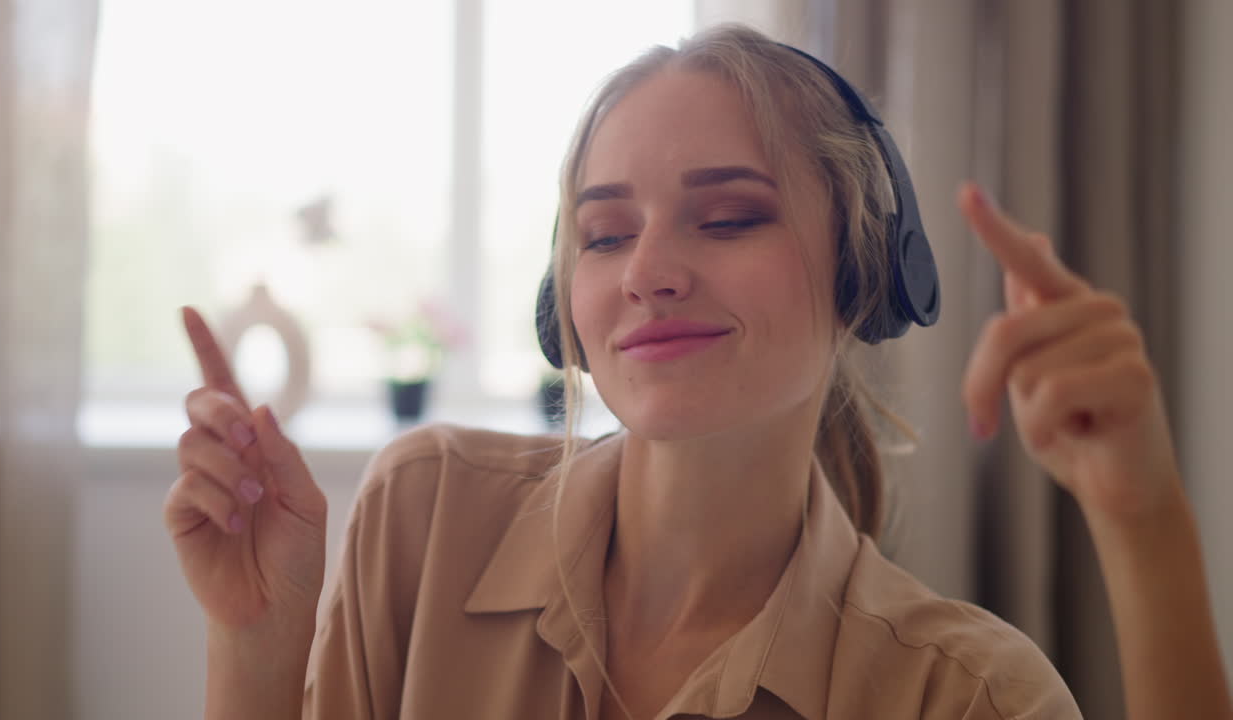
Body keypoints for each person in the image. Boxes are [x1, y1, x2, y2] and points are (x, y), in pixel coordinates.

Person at [165, 24, 1232, 720]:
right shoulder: (423, 516)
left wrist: (1140, 519)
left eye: (727, 218)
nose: (649, 273)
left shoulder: (963, 696)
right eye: (602, 235)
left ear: (860, 270)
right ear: (563, 310)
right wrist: (256, 648)